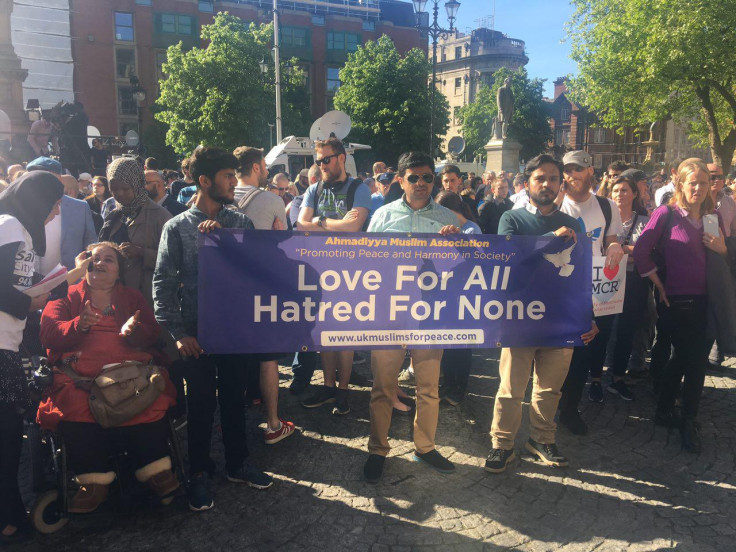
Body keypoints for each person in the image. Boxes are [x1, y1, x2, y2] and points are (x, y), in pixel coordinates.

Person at [153, 147, 273, 512]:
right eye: (227, 176)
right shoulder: (175, 228)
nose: (235, 183)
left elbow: (258, 273)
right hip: (196, 335)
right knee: (201, 405)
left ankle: (238, 463)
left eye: (235, 176)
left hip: (235, 331)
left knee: (235, 400)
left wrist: (224, 243)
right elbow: (162, 282)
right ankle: (199, 472)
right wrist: (178, 334)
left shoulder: (241, 224)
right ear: (205, 181)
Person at [37, 242, 179, 513]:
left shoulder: (133, 298)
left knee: (148, 393)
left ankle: (156, 470)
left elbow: (152, 333)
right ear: (83, 266)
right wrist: (79, 325)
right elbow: (49, 334)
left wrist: (135, 331)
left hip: (129, 372)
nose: (99, 262)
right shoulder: (64, 297)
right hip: (80, 376)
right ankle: (94, 482)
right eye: (93, 258)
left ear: (119, 271)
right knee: (73, 404)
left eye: (108, 259)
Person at [362, 151, 460, 484]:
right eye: (414, 177)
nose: (421, 183)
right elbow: (366, 264)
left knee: (428, 387)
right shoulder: (383, 217)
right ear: (400, 179)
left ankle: (425, 447)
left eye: (428, 177)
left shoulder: (449, 219)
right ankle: (377, 450)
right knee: (382, 386)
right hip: (389, 312)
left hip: (431, 315)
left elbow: (459, 272)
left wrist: (456, 246)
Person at [486, 154, 587, 473]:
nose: (547, 184)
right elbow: (509, 260)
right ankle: (502, 445)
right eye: (540, 178)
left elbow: (581, 275)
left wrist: (589, 317)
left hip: (560, 319)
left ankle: (542, 439)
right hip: (519, 317)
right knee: (511, 389)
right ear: (527, 182)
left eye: (554, 178)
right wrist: (549, 241)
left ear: (561, 184)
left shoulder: (573, 223)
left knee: (549, 388)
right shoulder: (512, 219)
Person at [633, 158, 725, 453]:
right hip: (677, 301)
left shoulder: (713, 217)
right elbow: (642, 251)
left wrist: (724, 249)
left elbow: (722, 260)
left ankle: (664, 409)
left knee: (684, 358)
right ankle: (688, 421)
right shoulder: (667, 214)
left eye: (703, 182)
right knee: (694, 360)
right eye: (692, 182)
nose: (698, 188)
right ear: (681, 184)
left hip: (708, 300)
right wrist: (659, 285)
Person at [0, 171, 62, 542]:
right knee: (6, 440)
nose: (55, 214)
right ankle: (9, 520)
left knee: (8, 438)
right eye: (54, 204)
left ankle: (10, 516)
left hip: (6, 344)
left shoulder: (16, 229)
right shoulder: (8, 225)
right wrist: (31, 302)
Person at [297, 137, 371, 416]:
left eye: (326, 159)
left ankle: (343, 390)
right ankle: (328, 387)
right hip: (319, 269)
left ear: (341, 158)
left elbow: (354, 226)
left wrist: (320, 221)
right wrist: (331, 225)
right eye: (318, 161)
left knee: (346, 333)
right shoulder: (314, 188)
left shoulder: (358, 188)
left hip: (352, 271)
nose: (322, 165)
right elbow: (300, 225)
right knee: (324, 332)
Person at [557, 150, 625, 435]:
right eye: (569, 170)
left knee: (584, 350)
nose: (574, 175)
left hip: (591, 289)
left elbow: (610, 241)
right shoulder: (553, 205)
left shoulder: (607, 206)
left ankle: (570, 409)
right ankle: (548, 405)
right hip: (558, 287)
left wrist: (614, 247)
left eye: (579, 169)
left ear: (590, 172)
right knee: (554, 350)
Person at [595, 175, 650, 402]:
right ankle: (596, 379)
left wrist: (619, 249)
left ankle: (618, 378)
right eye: (616, 190)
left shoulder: (644, 220)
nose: (620, 194)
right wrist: (630, 250)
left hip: (634, 282)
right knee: (603, 331)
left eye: (625, 190)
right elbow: (597, 249)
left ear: (634, 194)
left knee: (627, 332)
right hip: (606, 281)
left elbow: (645, 251)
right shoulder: (603, 218)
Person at [100, 158, 172, 304]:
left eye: (125, 189)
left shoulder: (160, 217)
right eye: (114, 189)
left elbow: (174, 261)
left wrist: (142, 252)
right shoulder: (114, 216)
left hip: (147, 301)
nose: (119, 194)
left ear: (138, 184)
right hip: (114, 298)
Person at [433, 190, 480, 405]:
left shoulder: (471, 229)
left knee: (462, 345)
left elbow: (472, 259)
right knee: (449, 343)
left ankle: (458, 389)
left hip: (465, 295)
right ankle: (449, 384)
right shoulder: (453, 228)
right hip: (448, 293)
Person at [26, 156, 97, 271]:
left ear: (59, 179)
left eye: (44, 177)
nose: (39, 182)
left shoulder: (80, 207)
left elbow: (90, 243)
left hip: (71, 279)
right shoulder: (22, 207)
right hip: (32, 281)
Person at [232, 147, 287, 230]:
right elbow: (284, 240)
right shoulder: (274, 200)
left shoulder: (220, 201)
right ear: (256, 168)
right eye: (265, 166)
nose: (267, 171)